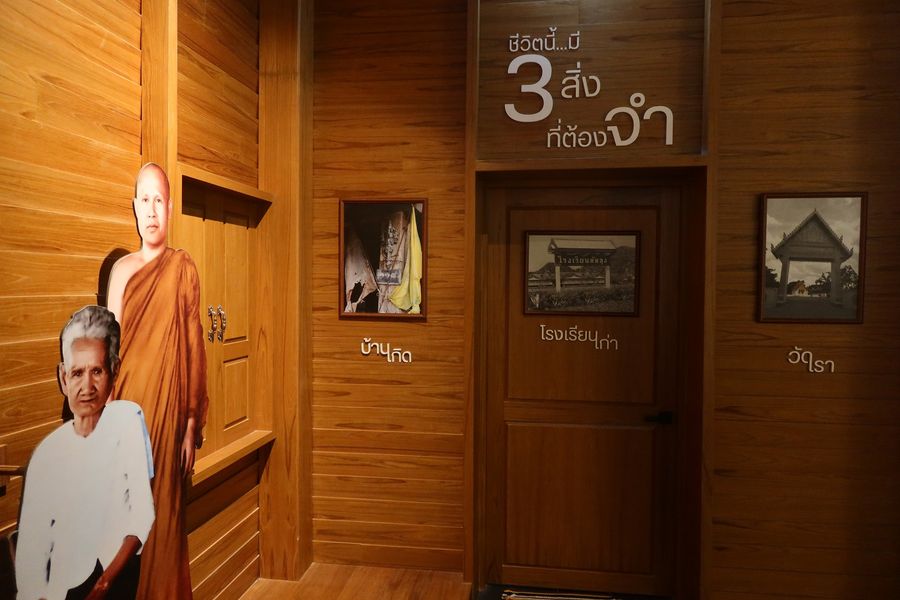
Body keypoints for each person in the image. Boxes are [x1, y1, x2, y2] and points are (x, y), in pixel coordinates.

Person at [106, 163, 208, 599]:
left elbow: (193, 345)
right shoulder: (122, 272)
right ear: (134, 208)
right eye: (144, 200)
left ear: (170, 208)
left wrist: (190, 424)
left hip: (168, 423)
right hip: (126, 416)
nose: (151, 210)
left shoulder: (183, 268)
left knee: (164, 526)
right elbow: (108, 353)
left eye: (159, 200)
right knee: (125, 528)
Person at [16, 306, 155, 600]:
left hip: (116, 579)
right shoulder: (46, 456)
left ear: (114, 371)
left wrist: (104, 584)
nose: (87, 387)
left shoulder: (129, 420)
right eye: (77, 373)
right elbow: (32, 560)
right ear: (63, 377)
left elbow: (142, 513)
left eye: (97, 371)